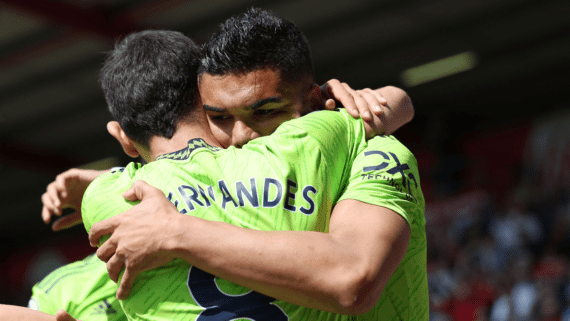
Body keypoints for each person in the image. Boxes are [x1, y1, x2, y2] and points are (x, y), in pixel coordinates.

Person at [78, 26, 422, 320]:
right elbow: (395, 103)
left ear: (122, 137)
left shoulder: (111, 198)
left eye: (265, 111)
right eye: (223, 118)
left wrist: (177, 231)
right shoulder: (328, 138)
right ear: (202, 104)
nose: (242, 135)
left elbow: (352, 278)